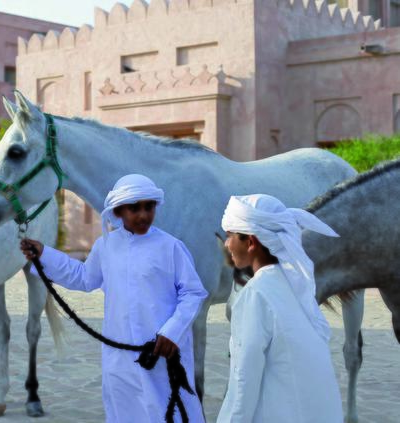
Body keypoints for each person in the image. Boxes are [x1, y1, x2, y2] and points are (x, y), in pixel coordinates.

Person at [20, 174, 208, 423]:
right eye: (134, 208)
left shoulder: (170, 246)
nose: (143, 215)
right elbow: (84, 277)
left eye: (149, 207)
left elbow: (192, 292)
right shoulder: (106, 246)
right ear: (118, 211)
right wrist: (44, 254)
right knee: (124, 411)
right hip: (119, 356)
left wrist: (172, 332)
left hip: (160, 353)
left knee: (166, 410)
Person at [217, 194, 343, 423]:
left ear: (251, 242)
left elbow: (244, 378)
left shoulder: (256, 294)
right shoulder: (294, 287)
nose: (226, 245)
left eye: (229, 236)